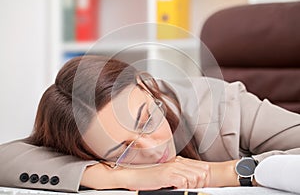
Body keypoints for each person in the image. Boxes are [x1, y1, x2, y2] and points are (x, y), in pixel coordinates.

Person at [0, 55, 299, 192]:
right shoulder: (91, 152)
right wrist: (116, 177)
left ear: (147, 87)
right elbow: (5, 159)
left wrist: (219, 173)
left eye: (146, 121)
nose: (154, 149)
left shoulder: (221, 104)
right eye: (123, 150)